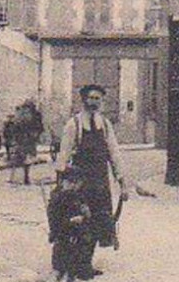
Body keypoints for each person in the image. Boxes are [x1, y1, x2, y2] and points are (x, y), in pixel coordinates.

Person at [55, 85, 128, 262]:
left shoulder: (105, 124)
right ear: (84, 100)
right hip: (80, 182)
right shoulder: (75, 124)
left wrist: (121, 180)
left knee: (100, 219)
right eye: (91, 98)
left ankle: (87, 260)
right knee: (81, 220)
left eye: (98, 98)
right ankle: (79, 261)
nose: (94, 101)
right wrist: (60, 181)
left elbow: (114, 153)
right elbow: (64, 153)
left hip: (100, 181)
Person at [42, 165, 95, 282]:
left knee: (72, 272)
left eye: (76, 184)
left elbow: (86, 215)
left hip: (76, 240)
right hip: (63, 239)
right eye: (71, 183)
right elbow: (55, 222)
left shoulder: (77, 197)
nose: (74, 186)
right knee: (58, 272)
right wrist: (71, 221)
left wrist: (85, 215)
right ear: (64, 182)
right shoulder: (57, 199)